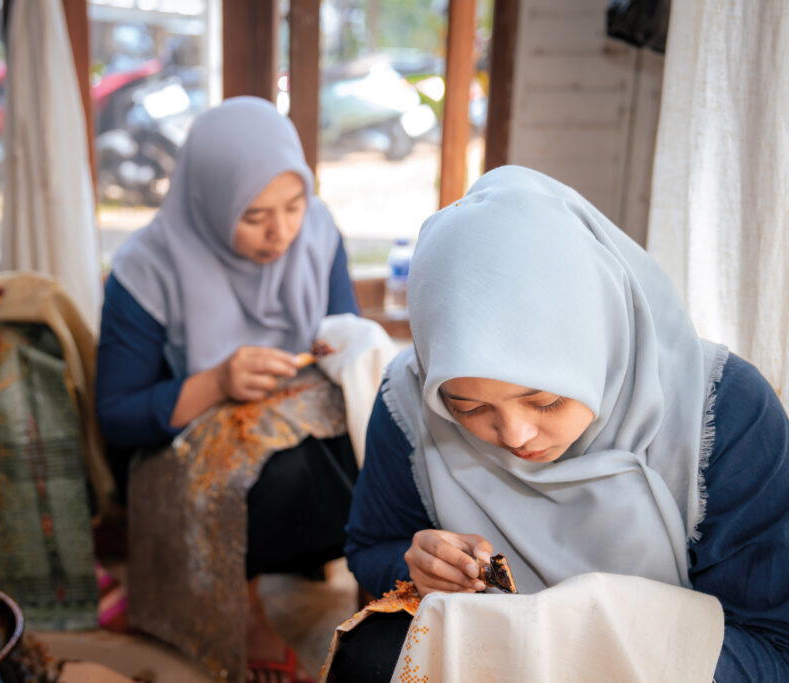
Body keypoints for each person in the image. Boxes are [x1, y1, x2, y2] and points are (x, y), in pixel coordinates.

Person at [331, 166, 789, 681]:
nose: (515, 437)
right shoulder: (410, 396)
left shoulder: (721, 411)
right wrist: (419, 567)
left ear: (606, 341)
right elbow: (371, 545)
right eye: (468, 409)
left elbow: (771, 643)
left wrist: (579, 639)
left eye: (545, 401)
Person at [96, 97, 360, 683]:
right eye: (254, 215)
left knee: (379, 444)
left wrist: (339, 352)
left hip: (297, 418)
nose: (281, 232)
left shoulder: (316, 231)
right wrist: (217, 381)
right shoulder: (147, 268)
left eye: (294, 205)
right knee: (281, 476)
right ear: (210, 202)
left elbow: (344, 333)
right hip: (186, 431)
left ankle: (372, 599)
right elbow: (118, 416)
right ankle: (243, 607)